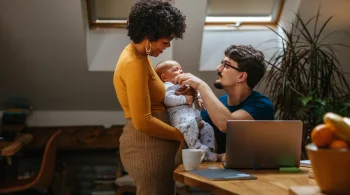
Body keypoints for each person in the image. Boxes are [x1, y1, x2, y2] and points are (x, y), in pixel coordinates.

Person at [113, 1, 186, 194]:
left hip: (153, 144)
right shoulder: (134, 63)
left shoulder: (139, 57)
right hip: (148, 146)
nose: (167, 47)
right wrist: (179, 135)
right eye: (165, 42)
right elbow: (143, 121)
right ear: (148, 37)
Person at [173, 45, 275, 157]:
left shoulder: (262, 105)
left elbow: (228, 125)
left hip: (259, 171)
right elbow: (199, 140)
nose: (218, 68)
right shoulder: (216, 105)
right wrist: (190, 99)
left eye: (226, 65)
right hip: (219, 170)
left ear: (241, 77)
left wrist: (201, 86)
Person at [155, 60, 217, 161]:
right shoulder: (167, 86)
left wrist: (199, 98)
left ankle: (208, 148)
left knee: (207, 127)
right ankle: (196, 147)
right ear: (164, 77)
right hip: (179, 115)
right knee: (188, 125)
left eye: (181, 69)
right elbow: (167, 99)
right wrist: (185, 99)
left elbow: (196, 92)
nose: (180, 71)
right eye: (176, 70)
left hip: (193, 114)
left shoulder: (185, 84)